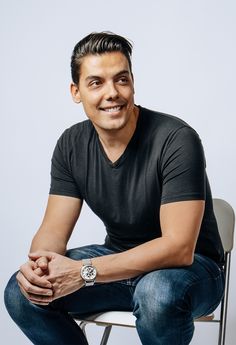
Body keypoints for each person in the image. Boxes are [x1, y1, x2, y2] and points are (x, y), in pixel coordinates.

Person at [4, 32, 225, 345]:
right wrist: (40, 267)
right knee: (21, 292)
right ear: (75, 91)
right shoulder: (71, 144)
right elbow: (53, 230)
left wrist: (83, 272)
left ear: (133, 82)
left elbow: (178, 247)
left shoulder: (176, 139)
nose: (112, 93)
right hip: (118, 263)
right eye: (96, 82)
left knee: (157, 293)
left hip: (190, 270)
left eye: (121, 80)